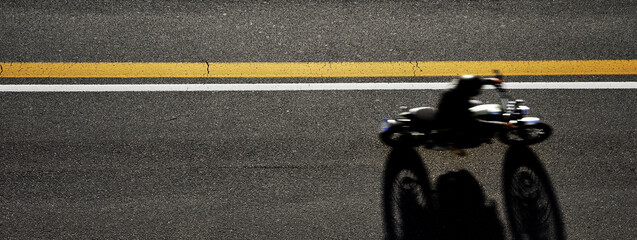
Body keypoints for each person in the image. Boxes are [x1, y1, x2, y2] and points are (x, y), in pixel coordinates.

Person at [434, 75, 511, 150]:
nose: (478, 91)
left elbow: (471, 82)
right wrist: (499, 125)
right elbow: (474, 122)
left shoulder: (459, 86)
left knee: (477, 104)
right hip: (451, 119)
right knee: (474, 138)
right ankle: (453, 144)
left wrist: (491, 81)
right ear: (469, 89)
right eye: (476, 89)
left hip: (450, 110)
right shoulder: (459, 101)